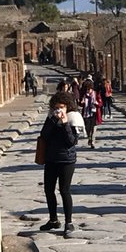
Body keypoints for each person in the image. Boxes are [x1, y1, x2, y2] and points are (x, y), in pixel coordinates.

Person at [39, 96, 80, 237]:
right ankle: (53, 220)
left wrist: (65, 124)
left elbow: (71, 141)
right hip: (51, 159)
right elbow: (43, 135)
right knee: (48, 190)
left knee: (64, 190)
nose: (59, 110)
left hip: (66, 160)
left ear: (67, 107)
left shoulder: (73, 119)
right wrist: (52, 121)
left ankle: (69, 222)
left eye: (62, 107)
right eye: (56, 107)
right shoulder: (50, 118)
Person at [79, 78, 101, 148]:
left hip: (95, 114)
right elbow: (80, 104)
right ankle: (89, 138)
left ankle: (92, 142)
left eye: (89, 89)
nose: (88, 91)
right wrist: (81, 103)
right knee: (87, 129)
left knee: (94, 129)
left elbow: (101, 104)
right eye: (87, 89)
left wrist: (96, 103)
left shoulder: (96, 94)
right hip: (86, 114)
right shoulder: (84, 95)